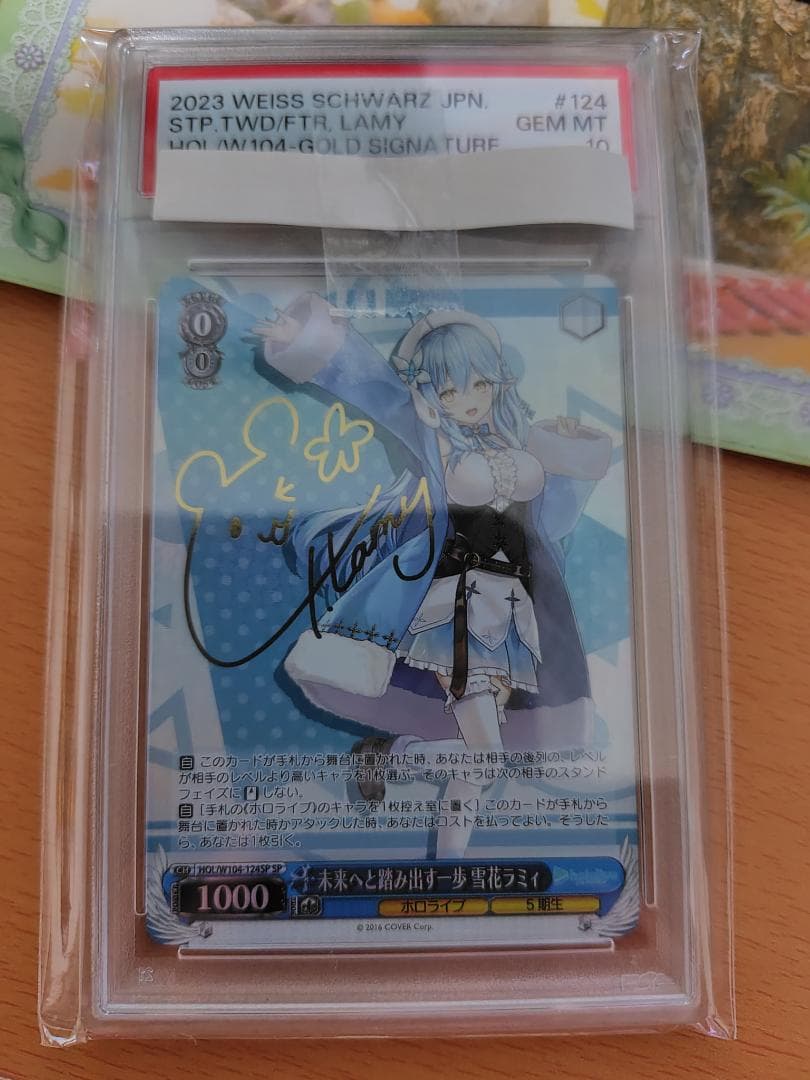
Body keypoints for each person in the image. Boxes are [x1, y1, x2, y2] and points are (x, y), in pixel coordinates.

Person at [252, 293, 612, 856]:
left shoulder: (518, 439)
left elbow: (553, 524)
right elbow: (373, 386)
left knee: (486, 763)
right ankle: (395, 762)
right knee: (485, 756)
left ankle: (442, 854)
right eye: (450, 391)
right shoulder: (432, 432)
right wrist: (309, 340)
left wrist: (569, 450)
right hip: (459, 606)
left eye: (479, 384)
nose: (468, 401)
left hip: (520, 611)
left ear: (496, 381)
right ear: (429, 394)